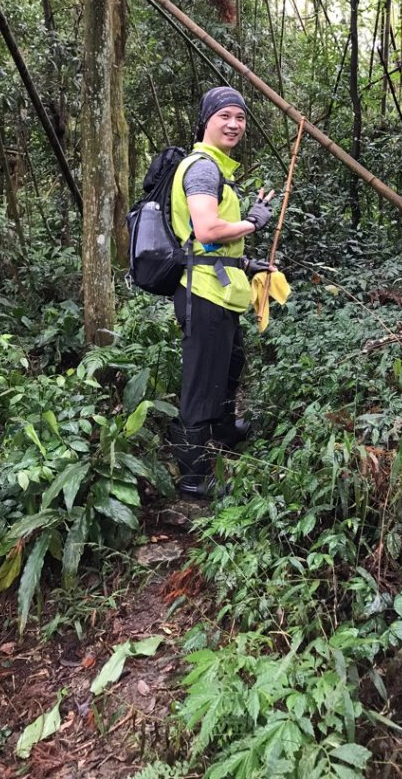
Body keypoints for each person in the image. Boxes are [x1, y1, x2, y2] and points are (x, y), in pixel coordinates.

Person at [168, 86, 274, 498]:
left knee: (231, 364)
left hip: (219, 288)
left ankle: (226, 430)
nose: (234, 124)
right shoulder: (203, 169)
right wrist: (254, 221)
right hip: (203, 294)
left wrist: (245, 264)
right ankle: (193, 477)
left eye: (240, 117)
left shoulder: (216, 169)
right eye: (224, 116)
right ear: (205, 121)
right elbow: (207, 229)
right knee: (201, 382)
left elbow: (206, 245)